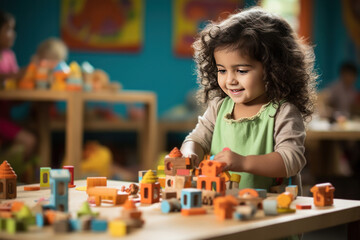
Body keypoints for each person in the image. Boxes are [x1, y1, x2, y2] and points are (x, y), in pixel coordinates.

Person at [180, 7, 318, 194]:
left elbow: (291, 160)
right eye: (222, 70)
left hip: (274, 210)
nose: (230, 80)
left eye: (241, 71)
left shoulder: (282, 112)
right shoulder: (219, 108)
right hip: (224, 204)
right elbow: (196, 139)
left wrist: (243, 162)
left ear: (273, 69)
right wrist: (189, 155)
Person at [0, 10, 36, 160]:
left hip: (6, 117)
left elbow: (14, 94)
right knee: (29, 141)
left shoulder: (9, 56)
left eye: (13, 29)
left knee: (34, 135)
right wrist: (18, 75)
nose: (13, 34)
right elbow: (11, 78)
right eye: (8, 29)